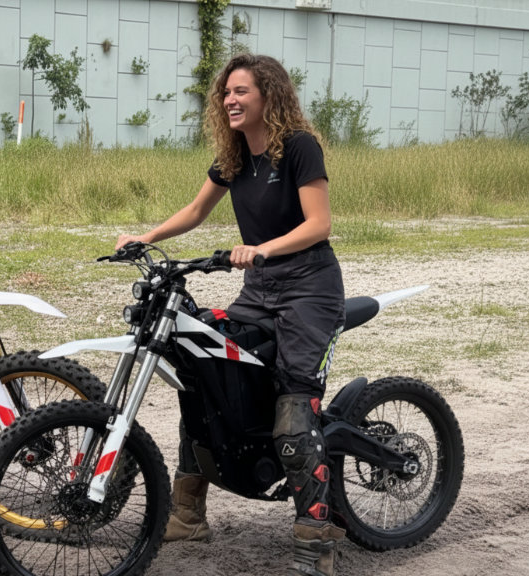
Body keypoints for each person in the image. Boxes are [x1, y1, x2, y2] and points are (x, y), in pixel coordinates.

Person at [116, 53, 346, 576]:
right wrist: (144, 237)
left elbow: (319, 225)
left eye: (242, 91)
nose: (230, 100)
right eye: (226, 93)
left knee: (293, 412)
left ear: (269, 95)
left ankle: (315, 546)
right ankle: (188, 515)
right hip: (259, 290)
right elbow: (196, 211)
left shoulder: (300, 148)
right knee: (205, 380)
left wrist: (262, 249)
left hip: (309, 290)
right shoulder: (235, 155)